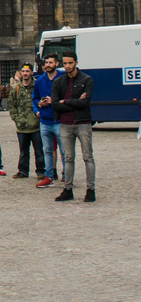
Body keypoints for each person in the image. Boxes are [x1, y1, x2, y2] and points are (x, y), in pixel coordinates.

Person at [52, 52, 95, 202]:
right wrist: (73, 102)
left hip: (83, 123)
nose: (68, 66)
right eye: (65, 63)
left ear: (76, 62)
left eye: (70, 63)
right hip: (65, 124)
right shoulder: (59, 82)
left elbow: (85, 103)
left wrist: (66, 102)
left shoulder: (86, 79)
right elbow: (55, 104)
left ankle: (90, 189)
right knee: (68, 157)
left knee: (88, 157)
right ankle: (68, 188)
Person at [33, 53, 66, 187]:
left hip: (59, 120)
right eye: (46, 63)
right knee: (47, 150)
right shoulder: (40, 81)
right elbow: (34, 98)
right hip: (45, 121)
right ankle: (49, 176)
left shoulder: (63, 78)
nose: (47, 65)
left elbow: (68, 97)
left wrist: (55, 101)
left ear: (57, 64)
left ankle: (66, 175)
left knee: (64, 150)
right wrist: (39, 105)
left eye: (50, 62)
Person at [7, 65, 43, 179]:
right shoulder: (16, 88)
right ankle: (23, 170)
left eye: (27, 71)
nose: (25, 73)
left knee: (39, 151)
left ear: (32, 72)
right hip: (21, 125)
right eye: (23, 71)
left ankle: (41, 171)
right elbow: (11, 105)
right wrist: (16, 119)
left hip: (36, 125)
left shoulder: (37, 86)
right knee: (23, 151)